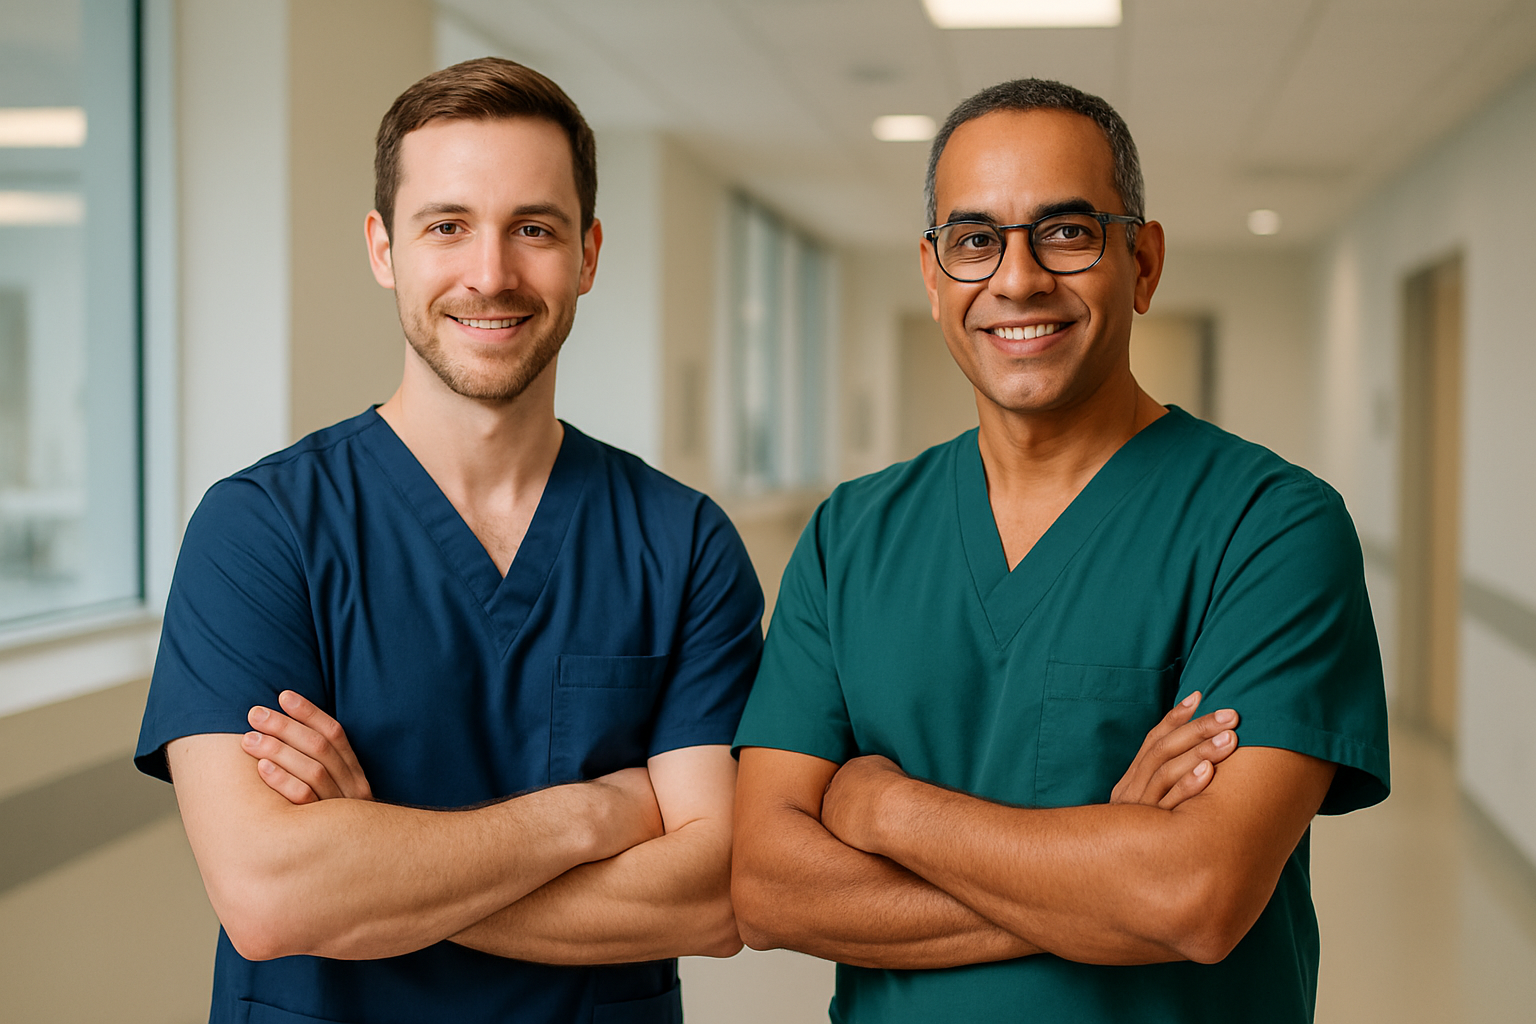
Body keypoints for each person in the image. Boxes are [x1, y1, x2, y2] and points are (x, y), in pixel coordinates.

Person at [730, 78, 1391, 1024]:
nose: (1018, 278)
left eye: (1068, 232)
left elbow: (1194, 901)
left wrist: (885, 813)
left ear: (1144, 260)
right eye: (974, 241)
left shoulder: (1271, 526)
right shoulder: (852, 535)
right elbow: (768, 886)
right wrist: (1109, 868)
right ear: (932, 274)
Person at [133, 58, 765, 1023]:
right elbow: (271, 897)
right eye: (447, 226)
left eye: (535, 229)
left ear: (589, 255)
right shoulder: (260, 530)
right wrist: (597, 814)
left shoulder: (682, 543)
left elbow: (717, 893)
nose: (491, 273)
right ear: (384, 248)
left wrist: (374, 855)